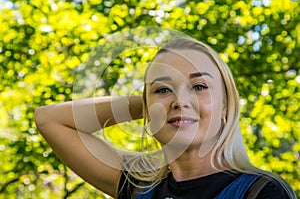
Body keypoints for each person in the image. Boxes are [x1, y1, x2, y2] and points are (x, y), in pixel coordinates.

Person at [34, 37, 296, 199]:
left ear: (227, 105)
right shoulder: (139, 189)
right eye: (163, 89)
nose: (180, 101)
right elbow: (49, 119)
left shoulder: (263, 192)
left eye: (199, 86)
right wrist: (150, 106)